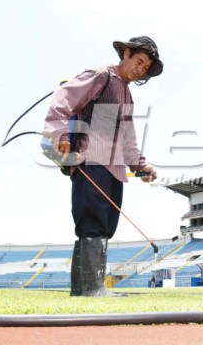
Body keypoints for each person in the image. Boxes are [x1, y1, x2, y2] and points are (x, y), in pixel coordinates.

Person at [42, 36, 162, 297]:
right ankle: (93, 288)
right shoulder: (100, 76)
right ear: (126, 53)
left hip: (115, 168)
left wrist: (141, 165)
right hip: (91, 160)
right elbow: (64, 97)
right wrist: (59, 133)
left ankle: (83, 289)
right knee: (91, 222)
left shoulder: (127, 97)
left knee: (106, 225)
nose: (139, 70)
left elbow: (128, 137)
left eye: (145, 68)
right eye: (138, 61)